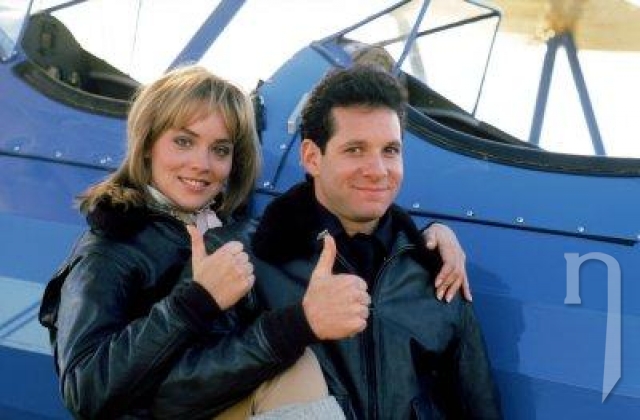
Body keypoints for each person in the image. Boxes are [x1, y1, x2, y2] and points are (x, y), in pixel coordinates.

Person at [38, 65, 468, 419]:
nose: (202, 164)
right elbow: (85, 391)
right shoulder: (108, 249)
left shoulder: (231, 230)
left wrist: (423, 237)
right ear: (147, 145)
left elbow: (337, 219)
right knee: (295, 369)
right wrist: (197, 301)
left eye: (220, 149)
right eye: (184, 141)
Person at [249, 65, 502, 419]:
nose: (378, 170)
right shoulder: (249, 261)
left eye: (390, 150)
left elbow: (480, 407)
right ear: (311, 157)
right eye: (355, 149)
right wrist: (295, 326)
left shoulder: (437, 269)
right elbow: (182, 390)